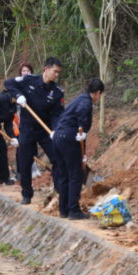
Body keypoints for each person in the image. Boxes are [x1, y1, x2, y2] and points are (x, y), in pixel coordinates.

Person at [4, 57, 65, 205]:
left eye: (58, 72)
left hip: (45, 130)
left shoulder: (57, 92)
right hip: (27, 128)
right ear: (46, 69)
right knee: (24, 162)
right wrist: (18, 96)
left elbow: (57, 114)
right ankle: (27, 194)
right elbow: (8, 83)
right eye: (55, 71)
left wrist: (55, 130)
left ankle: (60, 192)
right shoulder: (29, 80)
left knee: (58, 159)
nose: (57, 75)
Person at [53, 79, 104, 219]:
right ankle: (74, 211)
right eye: (100, 95)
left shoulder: (79, 98)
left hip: (58, 137)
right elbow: (82, 112)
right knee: (75, 175)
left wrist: (83, 152)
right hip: (69, 139)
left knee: (64, 174)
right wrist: (82, 131)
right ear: (98, 93)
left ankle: (64, 210)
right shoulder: (85, 102)